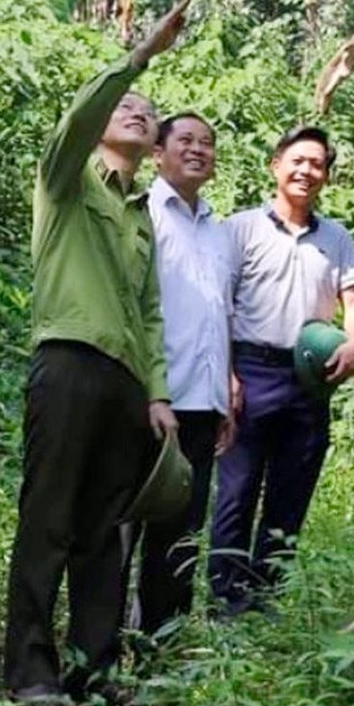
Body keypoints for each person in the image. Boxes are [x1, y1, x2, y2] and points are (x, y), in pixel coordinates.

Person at [4, 0, 188, 706]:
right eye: (128, 106)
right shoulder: (66, 180)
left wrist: (159, 393)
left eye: (149, 109)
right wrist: (139, 55)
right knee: (47, 516)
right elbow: (82, 117)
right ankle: (32, 672)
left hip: (125, 382)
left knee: (104, 535)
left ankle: (94, 668)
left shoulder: (142, 216)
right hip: (69, 362)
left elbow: (149, 313)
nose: (138, 112)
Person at [209, 125, 354, 614]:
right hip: (250, 368)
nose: (306, 171)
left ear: (326, 176)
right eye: (297, 161)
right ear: (276, 166)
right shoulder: (239, 228)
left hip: (308, 378)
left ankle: (266, 596)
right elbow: (217, 303)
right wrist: (228, 373)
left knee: (291, 491)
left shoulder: (336, 237)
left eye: (317, 164)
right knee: (235, 492)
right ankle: (226, 599)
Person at [134, 112, 241, 636]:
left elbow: (219, 317)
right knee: (126, 524)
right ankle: (105, 646)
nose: (198, 149)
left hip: (203, 403)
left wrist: (225, 393)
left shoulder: (219, 233)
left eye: (207, 142)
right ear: (158, 152)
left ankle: (162, 643)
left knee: (182, 532)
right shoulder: (142, 215)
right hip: (150, 395)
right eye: (186, 141)